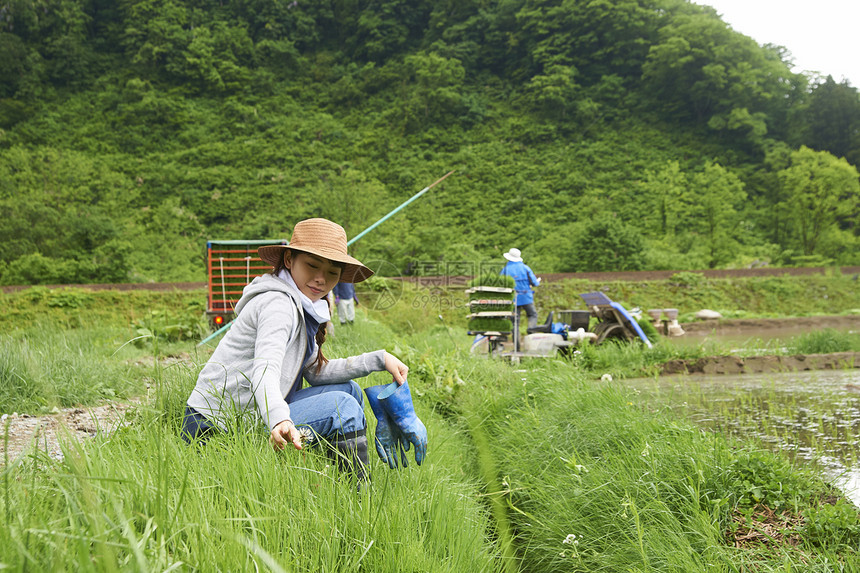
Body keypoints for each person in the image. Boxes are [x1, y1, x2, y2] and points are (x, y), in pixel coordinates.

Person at [182, 218, 424, 482]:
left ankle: (322, 475)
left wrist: (380, 359)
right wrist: (278, 420)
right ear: (289, 260)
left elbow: (315, 372)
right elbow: (264, 370)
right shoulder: (278, 304)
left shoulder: (302, 304)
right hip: (217, 426)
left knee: (349, 390)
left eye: (332, 272)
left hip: (249, 409)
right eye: (312, 265)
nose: (321, 279)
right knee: (342, 407)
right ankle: (357, 497)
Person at [499, 247, 541, 330]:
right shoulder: (525, 268)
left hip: (513, 299)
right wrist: (538, 281)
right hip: (526, 297)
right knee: (532, 314)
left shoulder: (505, 269)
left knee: (514, 322)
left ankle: (516, 342)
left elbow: (500, 284)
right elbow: (534, 283)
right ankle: (531, 330)